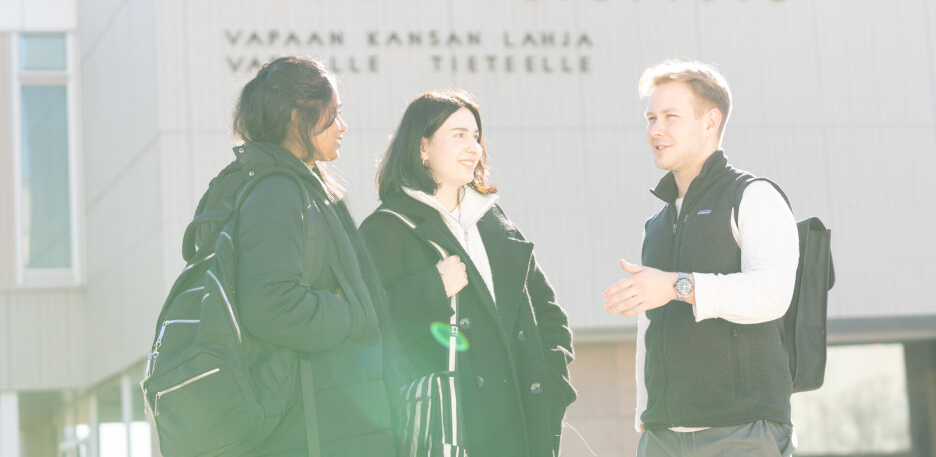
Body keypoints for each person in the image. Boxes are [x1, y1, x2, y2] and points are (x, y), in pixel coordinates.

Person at [359, 90, 576, 457]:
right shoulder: (386, 229)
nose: (473, 147)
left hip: (522, 423)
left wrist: (553, 381)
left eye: (476, 136)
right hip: (449, 429)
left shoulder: (494, 221)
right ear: (423, 146)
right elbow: (367, 329)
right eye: (458, 134)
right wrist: (430, 289)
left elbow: (547, 309)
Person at [602, 60, 800, 456]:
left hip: (742, 433)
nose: (655, 130)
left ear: (710, 122)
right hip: (661, 436)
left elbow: (773, 294)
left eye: (670, 117)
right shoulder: (657, 222)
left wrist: (678, 285)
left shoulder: (753, 196)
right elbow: (649, 324)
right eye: (651, 117)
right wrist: (646, 412)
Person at [223, 55, 398, 455]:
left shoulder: (306, 187)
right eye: (333, 114)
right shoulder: (278, 192)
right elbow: (271, 304)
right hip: (313, 431)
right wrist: (354, 312)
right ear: (296, 117)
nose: (343, 126)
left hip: (331, 421)